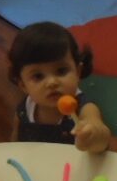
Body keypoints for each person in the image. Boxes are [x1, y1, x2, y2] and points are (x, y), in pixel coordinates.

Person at [8, 21, 110, 153]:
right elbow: (14, 144)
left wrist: (92, 134)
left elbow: (101, 136)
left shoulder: (84, 108)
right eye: (38, 76)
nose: (52, 82)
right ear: (23, 85)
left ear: (78, 72)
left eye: (61, 71)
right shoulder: (25, 109)